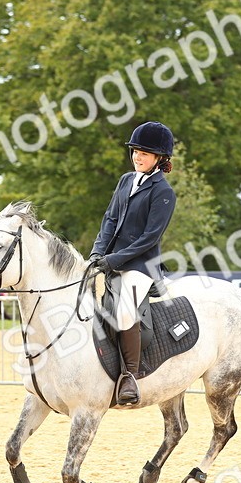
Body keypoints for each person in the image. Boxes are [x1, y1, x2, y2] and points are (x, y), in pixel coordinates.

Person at [89, 120, 178, 405]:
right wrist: (96, 253)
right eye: (135, 151)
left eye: (145, 153)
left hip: (142, 265)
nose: (137, 156)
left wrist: (113, 259)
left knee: (126, 310)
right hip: (110, 258)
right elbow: (110, 219)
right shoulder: (126, 181)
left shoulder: (163, 193)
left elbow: (150, 238)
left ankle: (130, 375)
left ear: (159, 159)